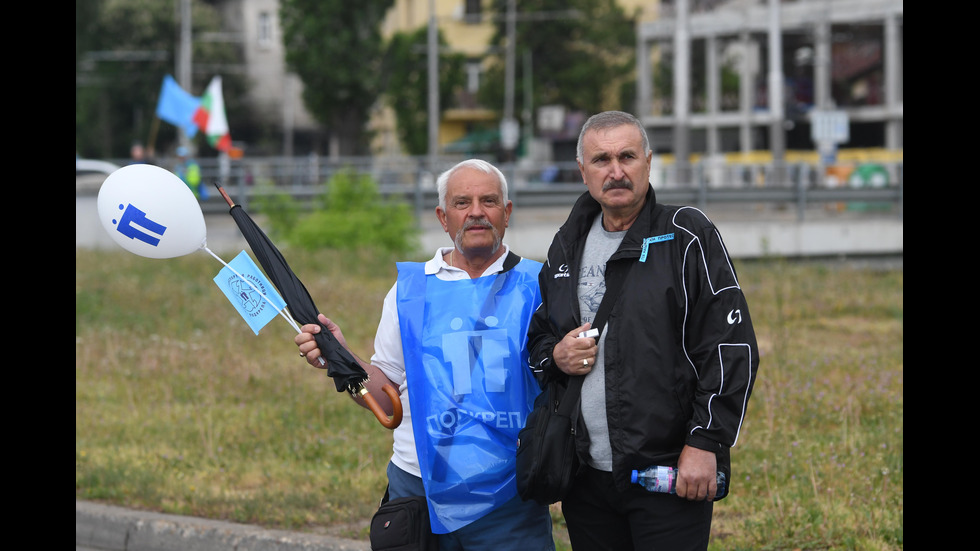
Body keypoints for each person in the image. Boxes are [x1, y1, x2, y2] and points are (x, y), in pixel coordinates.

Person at [526, 111, 759, 551]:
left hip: (668, 473)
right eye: (601, 160)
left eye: (627, 156)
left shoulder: (687, 234)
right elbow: (540, 337)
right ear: (583, 170)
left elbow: (731, 347)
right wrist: (555, 356)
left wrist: (705, 442)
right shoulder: (566, 244)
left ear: (648, 162)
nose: (616, 171)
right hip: (585, 476)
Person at [295, 159, 555, 551]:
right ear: (442, 217)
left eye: (489, 201)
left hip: (510, 492)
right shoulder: (409, 290)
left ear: (508, 212)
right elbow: (386, 394)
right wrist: (342, 360)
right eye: (462, 203)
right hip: (418, 486)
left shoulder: (542, 286)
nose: (477, 212)